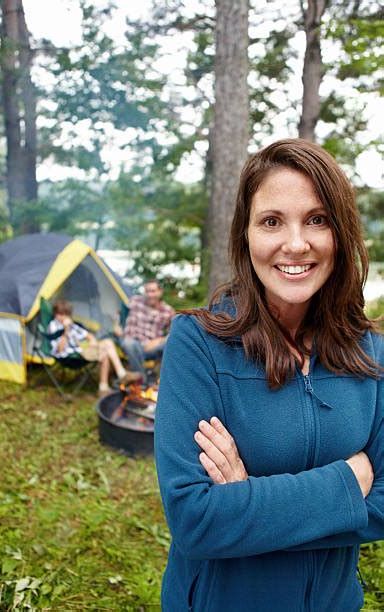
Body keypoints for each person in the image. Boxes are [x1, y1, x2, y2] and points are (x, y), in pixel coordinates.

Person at [154, 139, 383, 612]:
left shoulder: (371, 350)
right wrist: (347, 481)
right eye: (272, 221)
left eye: (317, 220)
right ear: (246, 235)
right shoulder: (197, 343)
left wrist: (245, 505)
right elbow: (195, 522)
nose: (295, 244)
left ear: (340, 232)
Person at [48, 300, 142, 396]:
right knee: (104, 353)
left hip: (83, 348)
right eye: (60, 314)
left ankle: (120, 374)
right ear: (55, 314)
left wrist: (92, 341)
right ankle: (106, 385)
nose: (63, 317)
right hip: (70, 354)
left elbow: (88, 335)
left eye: (65, 314)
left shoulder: (72, 325)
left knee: (108, 342)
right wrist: (66, 330)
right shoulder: (53, 326)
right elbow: (60, 349)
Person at [115, 280, 175, 382]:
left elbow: (174, 333)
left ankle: (163, 380)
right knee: (129, 343)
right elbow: (119, 314)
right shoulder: (134, 301)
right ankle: (142, 380)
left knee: (171, 343)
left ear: (160, 292)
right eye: (147, 291)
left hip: (152, 348)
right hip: (132, 343)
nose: (149, 295)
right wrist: (116, 326)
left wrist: (158, 341)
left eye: (153, 291)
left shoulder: (168, 310)